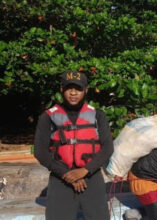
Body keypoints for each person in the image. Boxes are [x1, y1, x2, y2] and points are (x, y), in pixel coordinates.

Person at [34, 71, 114, 220]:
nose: (73, 93)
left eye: (78, 89)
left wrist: (85, 170)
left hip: (91, 176)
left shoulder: (98, 116)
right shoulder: (47, 117)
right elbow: (40, 152)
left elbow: (108, 148)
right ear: (61, 89)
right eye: (69, 88)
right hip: (60, 178)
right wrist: (67, 174)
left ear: (85, 90)